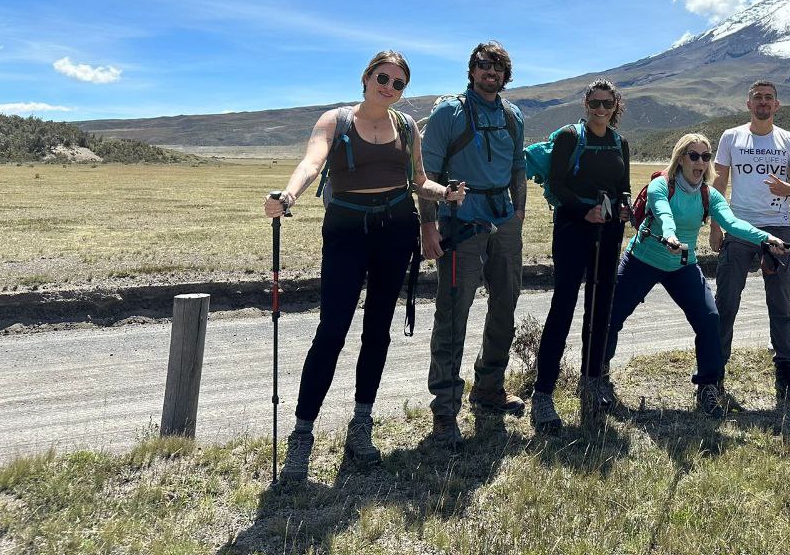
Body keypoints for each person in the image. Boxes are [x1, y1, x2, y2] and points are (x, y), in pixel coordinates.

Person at [264, 50, 465, 482]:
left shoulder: (407, 126)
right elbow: (312, 162)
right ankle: (302, 436)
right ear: (366, 77)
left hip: (395, 230)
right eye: (382, 77)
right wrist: (288, 196)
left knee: (378, 329)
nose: (389, 87)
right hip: (347, 231)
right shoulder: (335, 121)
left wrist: (443, 192)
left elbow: (417, 180)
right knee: (331, 332)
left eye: (398, 83)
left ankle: (361, 424)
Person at [604, 133, 790, 417]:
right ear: (680, 159)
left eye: (705, 156)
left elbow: (731, 223)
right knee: (611, 318)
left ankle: (707, 386)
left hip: (682, 265)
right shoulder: (660, 186)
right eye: (693, 155)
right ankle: (598, 377)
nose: (700, 162)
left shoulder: (708, 194)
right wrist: (669, 235)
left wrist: (765, 237)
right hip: (643, 259)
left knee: (709, 319)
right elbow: (664, 214)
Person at [419, 40, 527, 447]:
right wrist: (429, 227)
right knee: (453, 313)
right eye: (483, 65)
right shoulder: (450, 112)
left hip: (504, 219)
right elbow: (425, 172)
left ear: (506, 73)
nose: (490, 72)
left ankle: (489, 387)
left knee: (506, 304)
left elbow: (518, 166)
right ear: (471, 69)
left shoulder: (513, 115)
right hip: (459, 223)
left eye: (498, 66)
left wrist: (519, 211)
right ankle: (445, 409)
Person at [530, 79, 632, 434]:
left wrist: (624, 207)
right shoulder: (569, 138)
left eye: (606, 104)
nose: (600, 110)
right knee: (564, 307)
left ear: (615, 105)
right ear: (585, 104)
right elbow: (556, 185)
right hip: (574, 229)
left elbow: (624, 187)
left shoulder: (621, 142)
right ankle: (543, 392)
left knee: (601, 307)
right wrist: (584, 210)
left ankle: (591, 381)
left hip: (609, 232)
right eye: (594, 103)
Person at [709, 80, 790, 403]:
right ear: (748, 103)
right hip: (738, 226)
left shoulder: (789, 139)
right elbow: (719, 182)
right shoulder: (731, 137)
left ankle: (785, 371)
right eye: (757, 98)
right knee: (726, 301)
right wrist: (715, 225)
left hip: (777, 227)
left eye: (769, 98)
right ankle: (715, 372)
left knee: (780, 302)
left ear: (777, 105)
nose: (763, 102)